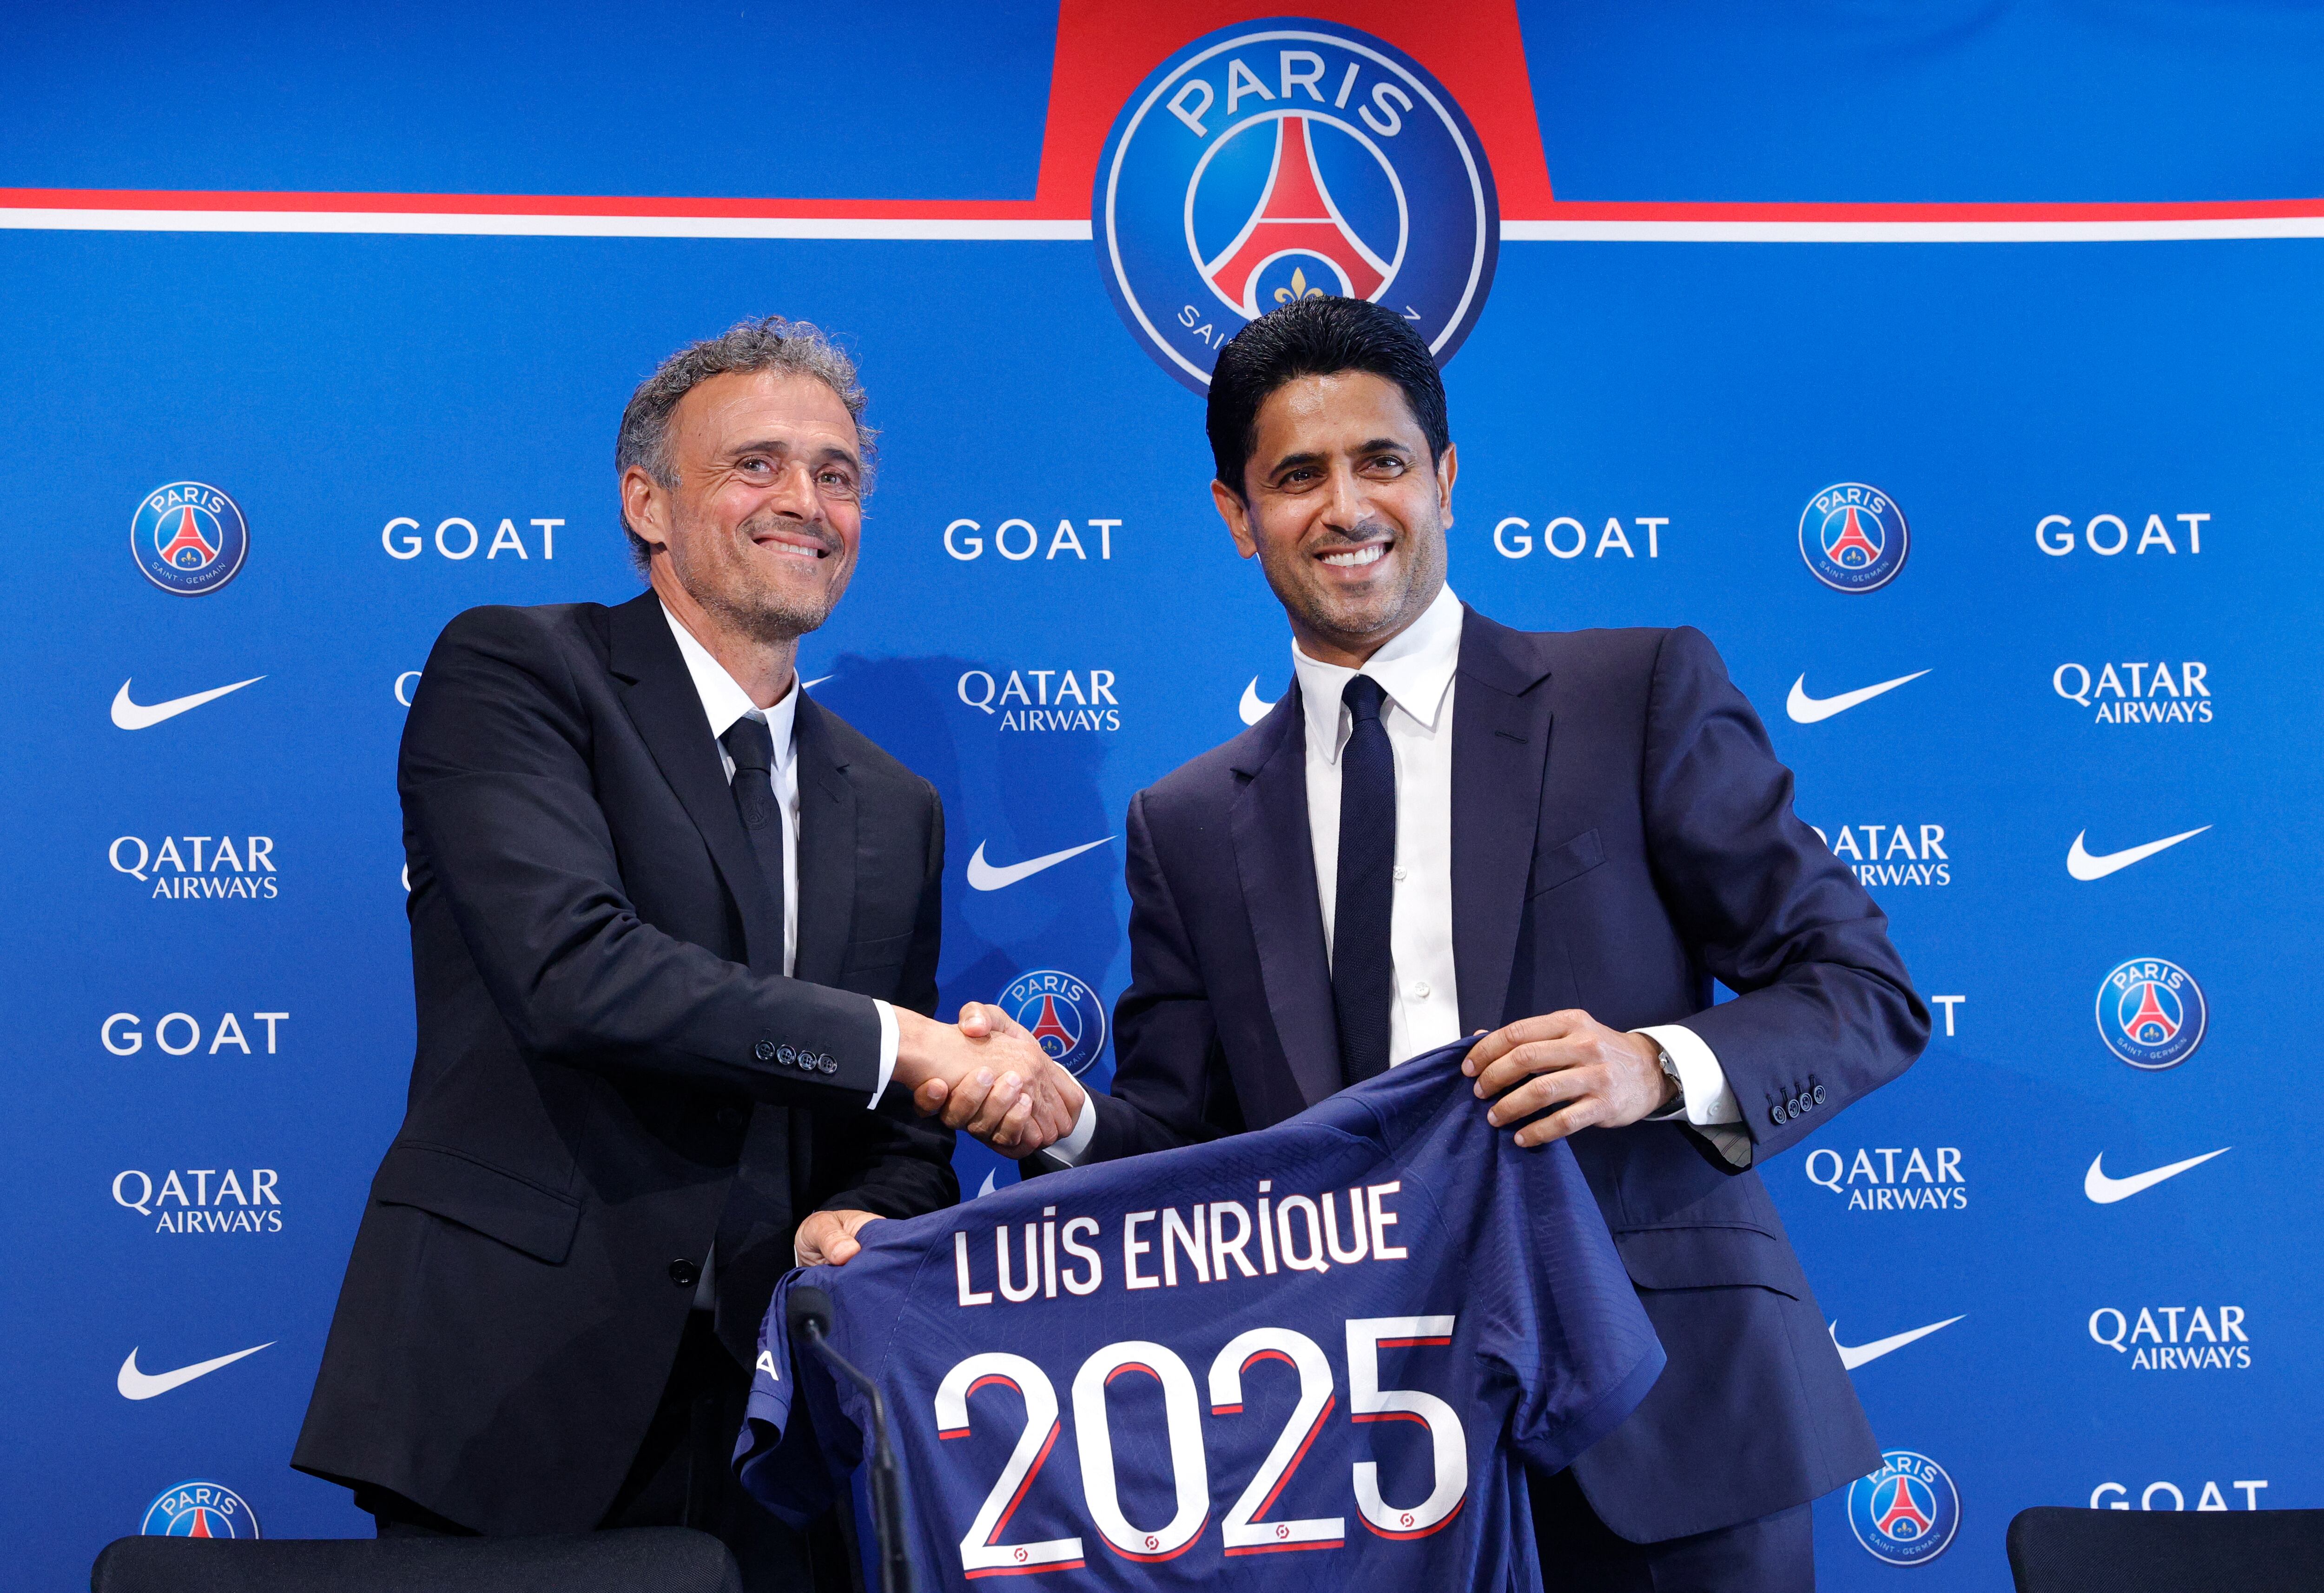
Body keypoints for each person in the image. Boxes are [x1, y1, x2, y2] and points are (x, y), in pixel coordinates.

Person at [928, 297, 1929, 1588]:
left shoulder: (1635, 693)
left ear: (1446, 480)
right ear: (1239, 515)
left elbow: (1864, 986)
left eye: (1382, 462)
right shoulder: (1183, 824)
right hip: (1366, 1457)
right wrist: (1064, 1119)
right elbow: (1193, 1144)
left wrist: (1653, 1065)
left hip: (1666, 1432)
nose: (1346, 507)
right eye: (1297, 476)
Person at [294, 317, 1078, 1588]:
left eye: (837, 474)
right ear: (647, 502)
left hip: (779, 1425)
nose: (806, 502)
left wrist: (861, 1215)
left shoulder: (897, 804)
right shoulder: (520, 671)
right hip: (514, 1393)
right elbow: (575, 971)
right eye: (756, 465)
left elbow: (902, 1142)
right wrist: (905, 1043)